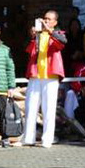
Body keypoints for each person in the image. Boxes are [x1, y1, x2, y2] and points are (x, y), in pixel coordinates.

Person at [23, 10, 67, 148]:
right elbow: (27, 49)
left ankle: (47, 139)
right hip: (36, 75)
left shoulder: (58, 34)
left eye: (49, 19)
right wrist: (32, 35)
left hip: (51, 75)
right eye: (44, 19)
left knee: (49, 109)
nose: (45, 21)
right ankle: (28, 138)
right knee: (31, 107)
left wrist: (49, 31)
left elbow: (62, 42)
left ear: (55, 22)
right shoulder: (37, 35)